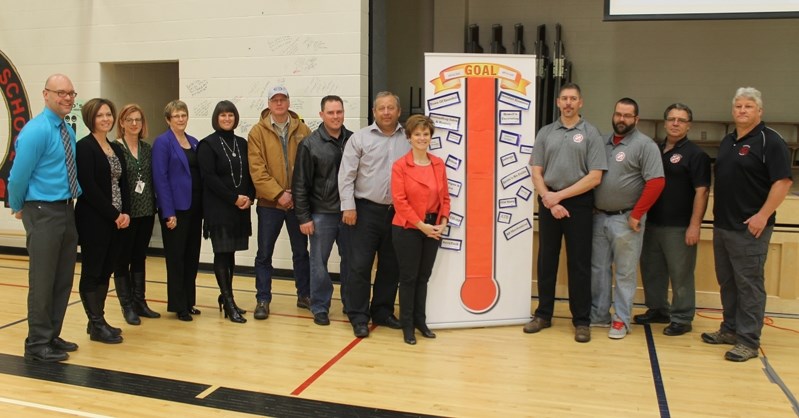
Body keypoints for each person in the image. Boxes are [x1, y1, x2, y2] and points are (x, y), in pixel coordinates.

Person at [702, 87, 792, 362]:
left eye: (748, 107)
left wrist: (762, 215)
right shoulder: (729, 141)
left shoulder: (770, 141)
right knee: (728, 283)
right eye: (738, 106)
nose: (742, 111)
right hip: (723, 226)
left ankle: (748, 341)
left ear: (760, 111)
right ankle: (729, 330)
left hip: (751, 228)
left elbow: (783, 182)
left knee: (749, 285)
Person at [523, 83, 606, 343]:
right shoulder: (546, 133)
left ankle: (581, 321)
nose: (568, 103)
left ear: (581, 102)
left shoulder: (591, 133)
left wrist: (560, 197)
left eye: (573, 99)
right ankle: (543, 314)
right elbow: (536, 170)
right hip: (549, 202)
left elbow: (594, 177)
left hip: (578, 204)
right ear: (558, 102)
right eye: (564, 99)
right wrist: (549, 198)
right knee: (546, 260)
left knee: (579, 264)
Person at [8, 74, 81, 362]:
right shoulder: (36, 131)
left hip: (65, 208)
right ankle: (37, 343)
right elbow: (17, 177)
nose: (67, 98)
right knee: (43, 279)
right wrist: (18, 205)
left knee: (62, 278)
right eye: (61, 92)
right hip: (42, 211)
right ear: (46, 94)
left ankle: (51, 333)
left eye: (71, 93)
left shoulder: (66, 129)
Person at [591, 97, 664, 339]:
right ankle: (599, 315)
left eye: (627, 116)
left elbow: (656, 182)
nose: (621, 119)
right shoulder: (602, 142)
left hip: (627, 220)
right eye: (618, 114)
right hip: (599, 218)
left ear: (636, 119)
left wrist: (637, 214)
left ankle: (621, 320)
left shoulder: (645, 145)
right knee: (599, 269)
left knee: (624, 272)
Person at [338, 91, 411, 338]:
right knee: (360, 266)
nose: (387, 112)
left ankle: (382, 311)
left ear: (399, 112)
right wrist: (348, 206)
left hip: (398, 213)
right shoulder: (359, 139)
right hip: (365, 211)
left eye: (391, 108)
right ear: (374, 112)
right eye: (382, 108)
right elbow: (346, 175)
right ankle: (359, 316)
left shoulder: (409, 139)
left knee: (391, 266)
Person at [635, 103, 710, 336]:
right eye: (672, 119)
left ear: (689, 126)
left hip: (680, 227)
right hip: (652, 223)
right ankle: (658, 310)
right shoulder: (653, 149)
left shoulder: (696, 155)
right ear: (665, 122)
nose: (676, 123)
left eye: (681, 120)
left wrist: (695, 225)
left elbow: (702, 191)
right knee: (652, 270)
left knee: (681, 274)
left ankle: (682, 317)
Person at [248, 86, 311, 320]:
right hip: (269, 204)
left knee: (301, 252)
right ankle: (263, 299)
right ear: (269, 103)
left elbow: (309, 165)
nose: (279, 103)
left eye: (283, 99)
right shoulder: (257, 132)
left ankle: (304, 295)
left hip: (297, 204)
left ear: (289, 102)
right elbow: (257, 170)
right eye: (275, 99)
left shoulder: (303, 129)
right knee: (264, 254)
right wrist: (278, 194)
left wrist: (296, 194)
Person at [292, 95, 353, 326]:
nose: (336, 116)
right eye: (331, 113)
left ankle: (351, 303)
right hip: (321, 213)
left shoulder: (353, 140)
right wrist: (304, 217)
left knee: (351, 261)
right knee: (319, 263)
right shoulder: (309, 144)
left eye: (339, 112)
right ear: (321, 115)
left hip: (348, 212)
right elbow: (300, 184)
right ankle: (319, 306)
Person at [75, 98, 130, 344]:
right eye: (100, 115)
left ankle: (98, 319)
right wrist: (113, 214)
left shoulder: (115, 148)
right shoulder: (84, 147)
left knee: (106, 269)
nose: (106, 119)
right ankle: (96, 323)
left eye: (108, 114)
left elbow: (123, 183)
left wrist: (125, 213)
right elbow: (89, 187)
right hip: (94, 219)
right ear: (90, 119)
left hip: (116, 220)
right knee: (92, 270)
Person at [391, 115, 450, 345]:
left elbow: (445, 198)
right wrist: (421, 226)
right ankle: (407, 325)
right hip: (408, 228)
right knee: (408, 278)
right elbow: (399, 201)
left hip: (433, 227)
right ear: (409, 137)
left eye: (426, 134)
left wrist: (443, 221)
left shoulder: (438, 164)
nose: (422, 138)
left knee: (423, 278)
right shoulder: (400, 166)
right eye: (417, 134)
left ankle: (420, 321)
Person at [197, 100, 255, 324]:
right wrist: (233, 198)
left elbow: (250, 172)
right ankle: (229, 302)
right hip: (219, 208)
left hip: (240, 207)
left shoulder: (242, 143)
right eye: (223, 116)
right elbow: (209, 178)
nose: (227, 119)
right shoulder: (207, 144)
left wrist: (249, 197)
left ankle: (226, 296)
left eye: (230, 115)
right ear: (216, 118)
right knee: (221, 253)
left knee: (231, 253)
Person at [152, 100, 202, 321]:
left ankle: (189, 301)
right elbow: (160, 178)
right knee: (176, 258)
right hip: (175, 210)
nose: (181, 119)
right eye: (176, 116)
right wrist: (168, 212)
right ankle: (178, 305)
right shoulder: (163, 143)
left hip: (194, 208)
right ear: (168, 120)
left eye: (183, 115)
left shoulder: (193, 142)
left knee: (192, 256)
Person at [113, 104, 161, 326]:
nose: (134, 123)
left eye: (138, 120)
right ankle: (127, 306)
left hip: (146, 211)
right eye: (129, 119)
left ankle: (140, 301)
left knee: (139, 256)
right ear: (121, 122)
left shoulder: (147, 149)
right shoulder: (115, 148)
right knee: (122, 259)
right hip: (126, 214)